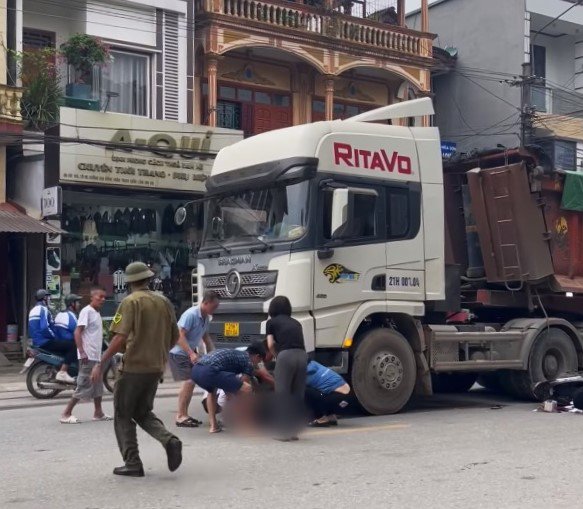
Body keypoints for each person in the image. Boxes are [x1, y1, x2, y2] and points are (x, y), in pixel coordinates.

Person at [90, 262, 182, 478]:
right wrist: (158, 353)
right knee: (142, 411)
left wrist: (101, 362)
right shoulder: (164, 301)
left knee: (123, 414)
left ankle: (132, 462)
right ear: (148, 278)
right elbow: (175, 336)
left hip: (132, 368)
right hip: (155, 367)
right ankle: (170, 441)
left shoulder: (129, 302)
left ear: (130, 281)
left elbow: (119, 337)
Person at [191, 342, 274, 433]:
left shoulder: (236, 354)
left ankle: (213, 426)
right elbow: (243, 385)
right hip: (210, 371)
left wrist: (230, 395)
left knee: (212, 391)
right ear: (257, 356)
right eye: (259, 361)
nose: (257, 364)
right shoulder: (248, 361)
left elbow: (227, 381)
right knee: (247, 390)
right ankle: (245, 426)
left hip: (196, 371)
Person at [60, 288, 111, 424]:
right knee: (84, 384)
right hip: (87, 356)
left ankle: (98, 412)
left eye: (104, 297)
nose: (103, 299)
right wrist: (82, 351)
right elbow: (78, 332)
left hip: (96, 356)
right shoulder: (87, 311)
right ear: (92, 298)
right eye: (100, 297)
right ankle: (66, 413)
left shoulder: (96, 313)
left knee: (98, 384)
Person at [168, 290, 219, 428]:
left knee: (191, 382)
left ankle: (184, 414)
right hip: (178, 352)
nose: (215, 309)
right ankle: (180, 416)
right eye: (214, 306)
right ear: (206, 303)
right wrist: (191, 353)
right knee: (189, 381)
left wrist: (213, 355)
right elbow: (179, 335)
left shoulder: (206, 318)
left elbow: (206, 337)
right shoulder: (191, 314)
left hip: (188, 353)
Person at [266, 295, 307, 442]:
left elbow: (270, 344)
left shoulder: (271, 322)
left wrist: (277, 356)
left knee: (282, 394)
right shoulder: (297, 323)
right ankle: (294, 430)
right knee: (297, 394)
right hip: (302, 356)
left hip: (286, 356)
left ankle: (283, 432)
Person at [28, 289, 76, 384]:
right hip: (45, 341)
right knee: (73, 346)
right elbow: (45, 328)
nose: (49, 299)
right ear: (44, 298)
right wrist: (54, 337)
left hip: (36, 341)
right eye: (48, 297)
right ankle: (63, 372)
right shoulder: (43, 309)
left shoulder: (33, 310)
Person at [305, 360, 351, 427]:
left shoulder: (303, 374)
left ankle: (321, 419)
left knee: (305, 391)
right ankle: (331, 417)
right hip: (349, 399)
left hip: (338, 401)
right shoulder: (314, 364)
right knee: (323, 390)